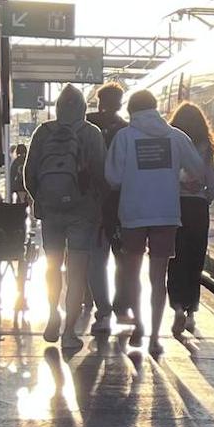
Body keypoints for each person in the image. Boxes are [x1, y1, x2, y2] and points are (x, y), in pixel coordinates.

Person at [105, 89, 206, 354]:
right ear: (156, 108)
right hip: (166, 214)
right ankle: (154, 339)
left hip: (133, 215)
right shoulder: (176, 137)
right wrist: (179, 177)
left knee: (132, 274)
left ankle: (139, 324)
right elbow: (198, 169)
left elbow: (113, 178)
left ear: (132, 111)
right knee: (158, 278)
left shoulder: (124, 137)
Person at [24, 84, 106, 351]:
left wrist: (40, 199)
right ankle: (70, 331)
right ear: (83, 109)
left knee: (52, 265)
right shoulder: (91, 134)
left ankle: (52, 312)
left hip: (51, 212)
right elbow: (101, 174)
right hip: (83, 212)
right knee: (77, 270)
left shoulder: (43, 132)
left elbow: (29, 173)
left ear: (58, 108)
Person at [167, 102, 214, 337]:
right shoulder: (206, 148)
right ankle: (191, 314)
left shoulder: (170, 143)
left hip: (174, 208)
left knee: (175, 259)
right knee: (195, 260)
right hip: (198, 210)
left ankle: (177, 306)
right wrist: (201, 198)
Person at [85, 82, 129, 333]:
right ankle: (119, 305)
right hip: (120, 205)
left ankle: (101, 309)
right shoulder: (126, 131)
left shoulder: (87, 125)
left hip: (91, 203)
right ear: (121, 103)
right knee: (122, 259)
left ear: (99, 102)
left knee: (96, 260)